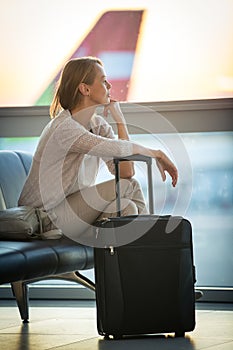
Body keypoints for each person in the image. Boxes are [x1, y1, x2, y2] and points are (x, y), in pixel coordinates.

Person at [18, 56, 178, 245]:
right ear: (85, 89)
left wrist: (119, 120)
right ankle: (152, 250)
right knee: (130, 187)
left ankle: (131, 269)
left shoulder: (97, 125)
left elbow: (126, 171)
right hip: (44, 219)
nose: (109, 85)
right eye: (103, 81)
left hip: (74, 214)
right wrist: (156, 153)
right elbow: (118, 155)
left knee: (127, 209)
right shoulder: (64, 128)